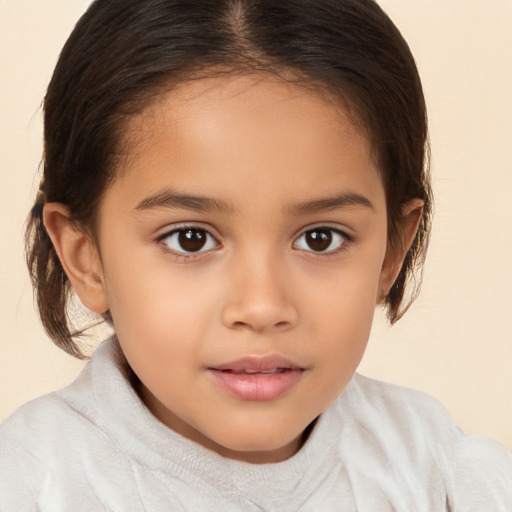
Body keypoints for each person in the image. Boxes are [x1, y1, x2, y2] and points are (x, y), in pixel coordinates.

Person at [0, 0, 510, 510]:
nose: (263, 306)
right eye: (190, 239)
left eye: (320, 238)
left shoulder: (442, 476)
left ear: (390, 251)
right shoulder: (31, 483)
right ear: (85, 255)